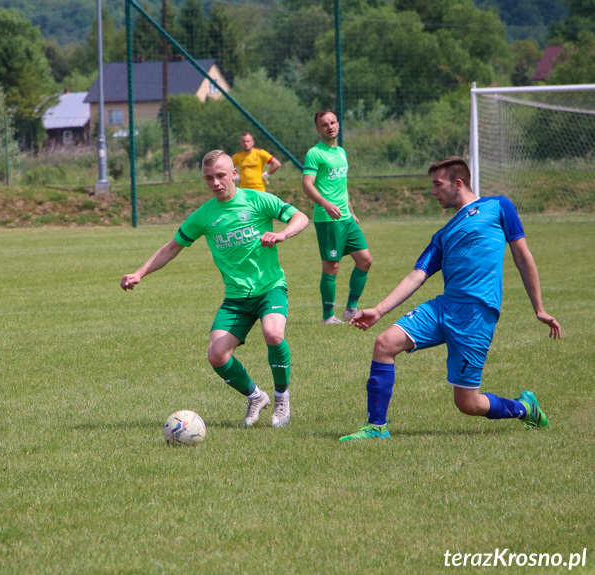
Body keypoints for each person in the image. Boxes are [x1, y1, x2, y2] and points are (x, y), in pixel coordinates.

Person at [340, 157, 561, 441]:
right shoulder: (443, 233)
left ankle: (524, 408)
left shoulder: (498, 206)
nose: (433, 191)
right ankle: (376, 427)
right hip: (443, 307)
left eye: (437, 184)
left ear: (457, 184)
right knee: (384, 343)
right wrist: (379, 310)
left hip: (476, 315)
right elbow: (416, 275)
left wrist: (539, 309)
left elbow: (523, 258)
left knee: (467, 404)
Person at [121, 150, 309, 427]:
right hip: (235, 298)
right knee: (217, 356)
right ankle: (256, 396)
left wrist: (282, 233)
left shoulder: (258, 200)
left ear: (234, 174)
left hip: (270, 288)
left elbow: (300, 217)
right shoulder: (204, 215)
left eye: (221, 175)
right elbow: (173, 247)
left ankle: (282, 398)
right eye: (209, 178)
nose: (215, 182)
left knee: (273, 332)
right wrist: (139, 272)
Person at [302, 110, 372, 325]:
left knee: (365, 260)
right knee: (332, 266)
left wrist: (351, 211)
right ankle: (327, 316)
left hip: (346, 218)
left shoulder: (341, 152)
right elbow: (307, 184)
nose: (329, 127)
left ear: (338, 125)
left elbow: (342, 187)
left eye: (332, 122)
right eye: (324, 124)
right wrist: (325, 204)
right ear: (318, 129)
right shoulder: (315, 153)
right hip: (327, 218)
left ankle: (351, 309)